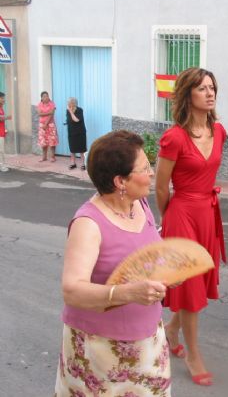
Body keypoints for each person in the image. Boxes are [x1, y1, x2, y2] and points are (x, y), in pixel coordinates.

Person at [54, 130, 171, 396]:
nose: (152, 172)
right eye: (144, 168)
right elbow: (71, 290)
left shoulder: (139, 203)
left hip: (148, 341)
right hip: (101, 351)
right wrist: (129, 292)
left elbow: (143, 251)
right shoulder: (88, 224)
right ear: (120, 181)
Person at [155, 67, 226, 387]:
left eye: (212, 88)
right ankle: (194, 355)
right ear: (187, 95)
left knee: (194, 284)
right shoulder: (174, 137)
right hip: (181, 213)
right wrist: (170, 220)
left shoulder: (220, 131)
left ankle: (171, 330)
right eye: (202, 89)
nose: (209, 93)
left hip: (207, 214)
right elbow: (160, 187)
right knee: (190, 287)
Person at [37, 91, 59, 162]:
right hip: (42, 125)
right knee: (43, 141)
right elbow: (39, 114)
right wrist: (48, 112)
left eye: (47, 96)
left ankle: (53, 157)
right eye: (44, 96)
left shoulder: (52, 104)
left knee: (52, 141)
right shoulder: (39, 104)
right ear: (41, 98)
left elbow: (51, 114)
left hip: (50, 124)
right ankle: (44, 157)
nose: (46, 97)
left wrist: (46, 124)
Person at [66, 97, 87, 170]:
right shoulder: (67, 111)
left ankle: (83, 164)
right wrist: (70, 111)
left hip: (80, 133)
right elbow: (69, 120)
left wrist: (71, 112)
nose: (68, 104)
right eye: (68, 103)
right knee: (72, 150)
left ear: (74, 103)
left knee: (82, 149)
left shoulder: (79, 110)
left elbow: (76, 120)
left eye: (70, 103)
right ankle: (73, 163)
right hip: (71, 133)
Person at [0, 91, 12, 172]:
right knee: (1, 150)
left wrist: (5, 129)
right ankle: (2, 166)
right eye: (2, 98)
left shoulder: (1, 108)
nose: (4, 100)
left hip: (1, 132)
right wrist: (7, 117)